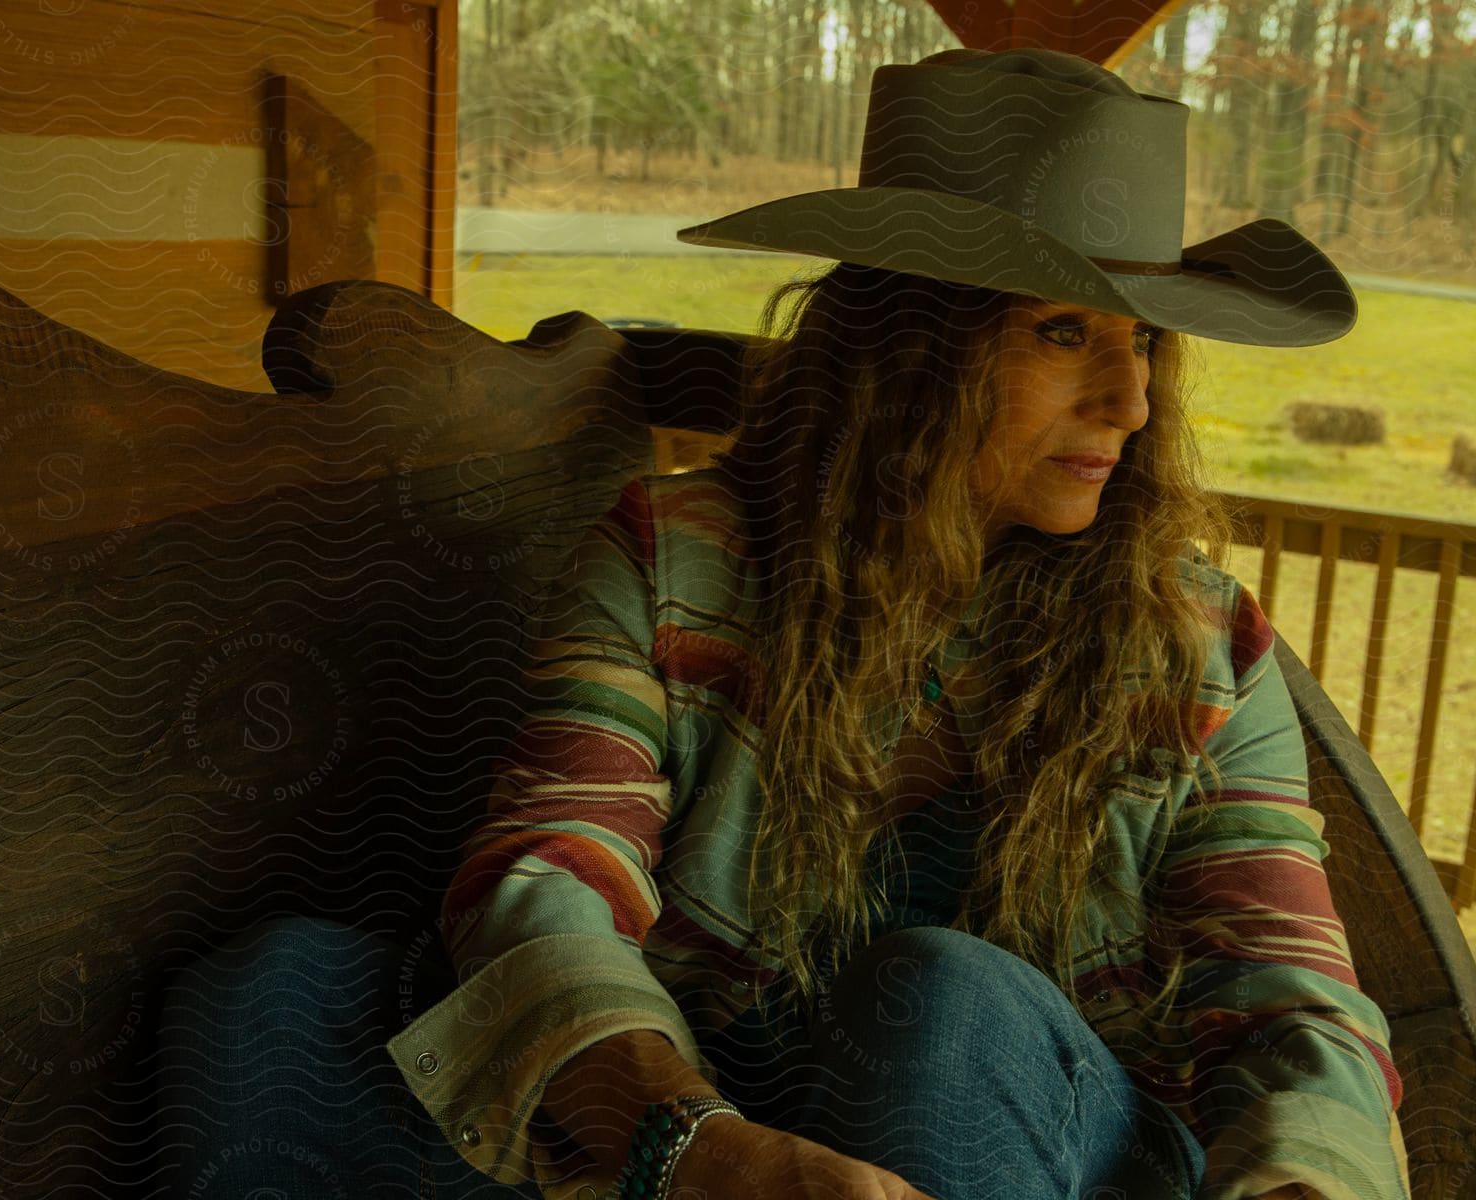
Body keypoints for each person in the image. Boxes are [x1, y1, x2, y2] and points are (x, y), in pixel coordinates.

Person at [154, 46, 1411, 1200]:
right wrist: (693, 1144)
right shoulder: (680, 560)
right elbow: (554, 865)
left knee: (944, 994)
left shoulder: (1197, 642)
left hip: (1048, 1142)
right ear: (907, 350)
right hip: (728, 1121)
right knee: (275, 994)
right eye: (1066, 332)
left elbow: (1286, 988)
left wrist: (1301, 1183)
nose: (1131, 399)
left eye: (1144, 344)